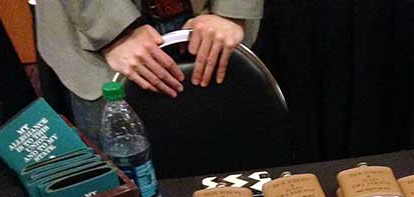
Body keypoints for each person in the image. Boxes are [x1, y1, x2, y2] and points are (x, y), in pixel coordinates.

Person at [36, 0, 263, 144]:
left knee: (231, 173)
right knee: (125, 185)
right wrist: (114, 30)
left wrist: (232, 11)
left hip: (212, 21)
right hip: (97, 36)